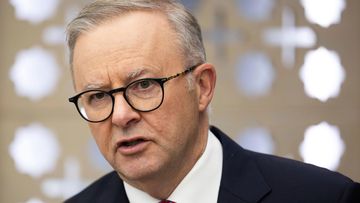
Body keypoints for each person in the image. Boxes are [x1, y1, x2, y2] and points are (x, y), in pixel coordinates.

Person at [64, 0, 360, 202]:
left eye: (143, 85)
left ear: (202, 87)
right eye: (98, 96)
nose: (120, 116)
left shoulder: (324, 197)